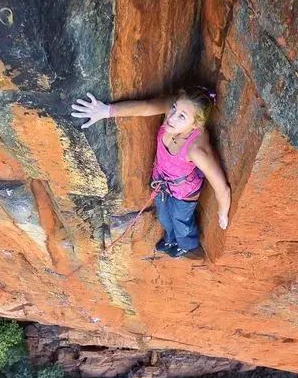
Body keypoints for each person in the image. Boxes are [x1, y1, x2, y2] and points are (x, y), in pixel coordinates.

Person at [71, 88, 231, 258]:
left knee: (180, 221)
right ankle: (171, 239)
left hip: (184, 192)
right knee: (164, 217)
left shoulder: (196, 150)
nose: (171, 117)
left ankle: (186, 245)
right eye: (174, 108)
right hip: (161, 182)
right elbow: (146, 106)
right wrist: (107, 111)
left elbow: (222, 188)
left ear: (195, 125)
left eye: (182, 116)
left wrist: (222, 214)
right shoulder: (172, 112)